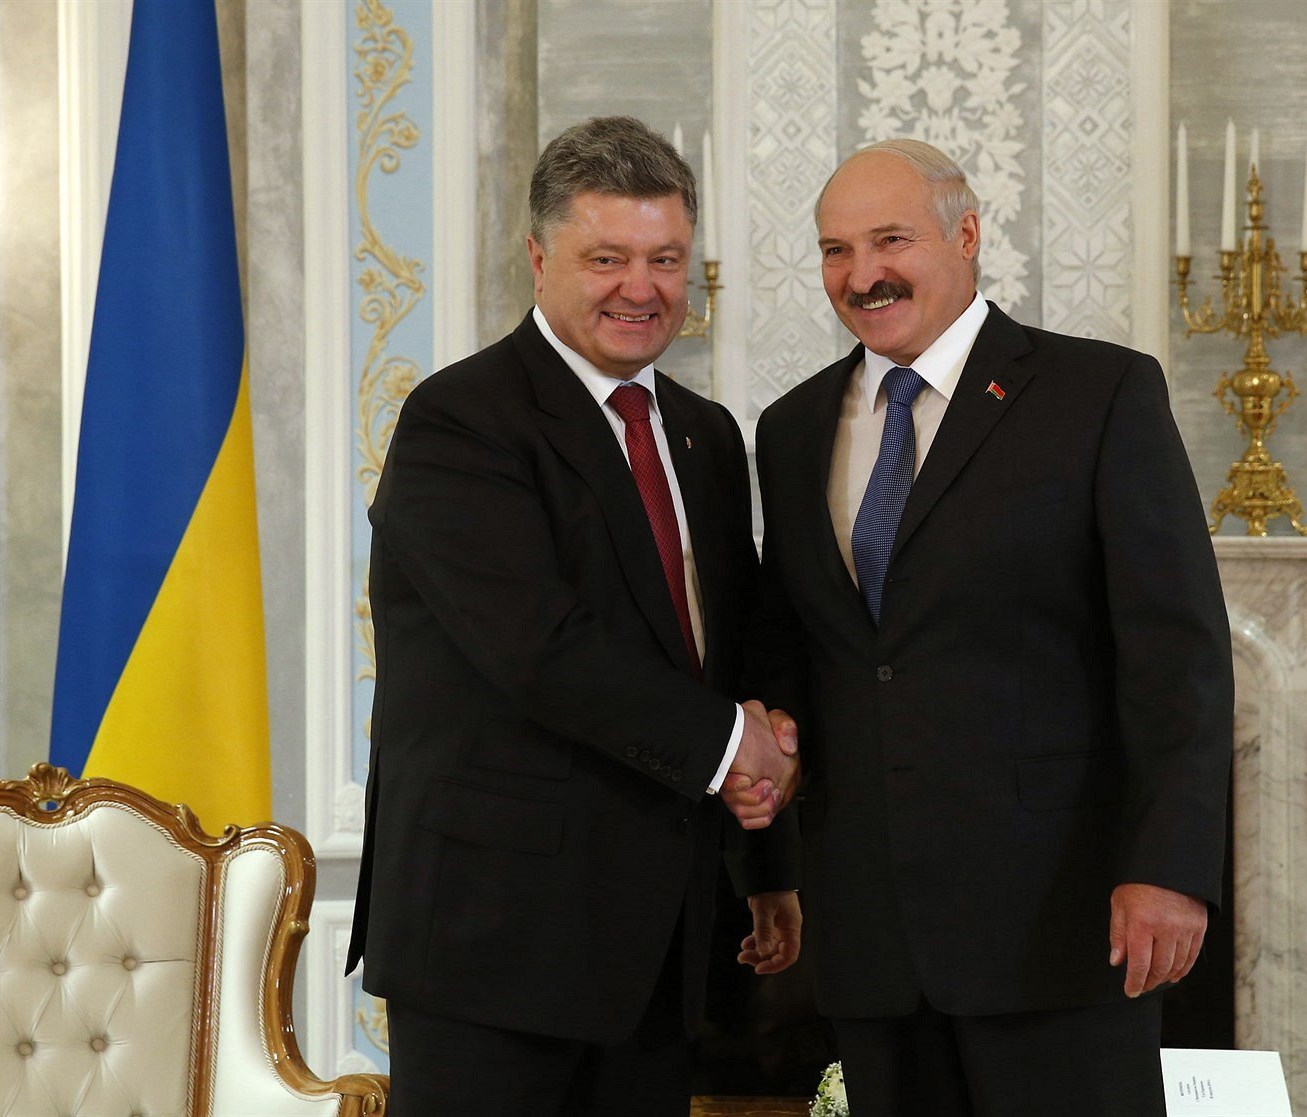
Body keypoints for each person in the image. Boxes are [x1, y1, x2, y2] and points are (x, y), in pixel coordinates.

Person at [748, 139, 1234, 1114]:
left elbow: (1176, 656)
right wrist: (769, 849)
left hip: (1060, 931)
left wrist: (1169, 869)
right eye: (836, 250)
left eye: (891, 240)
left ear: (965, 234)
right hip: (873, 941)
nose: (862, 273)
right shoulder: (791, 428)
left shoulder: (1098, 394)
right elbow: (797, 660)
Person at [346, 115, 801, 1116]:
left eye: (665, 259)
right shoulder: (461, 420)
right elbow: (540, 651)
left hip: (659, 947)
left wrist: (767, 858)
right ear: (539, 257)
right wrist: (738, 746)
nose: (642, 287)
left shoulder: (704, 436)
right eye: (607, 258)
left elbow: (731, 657)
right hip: (493, 946)